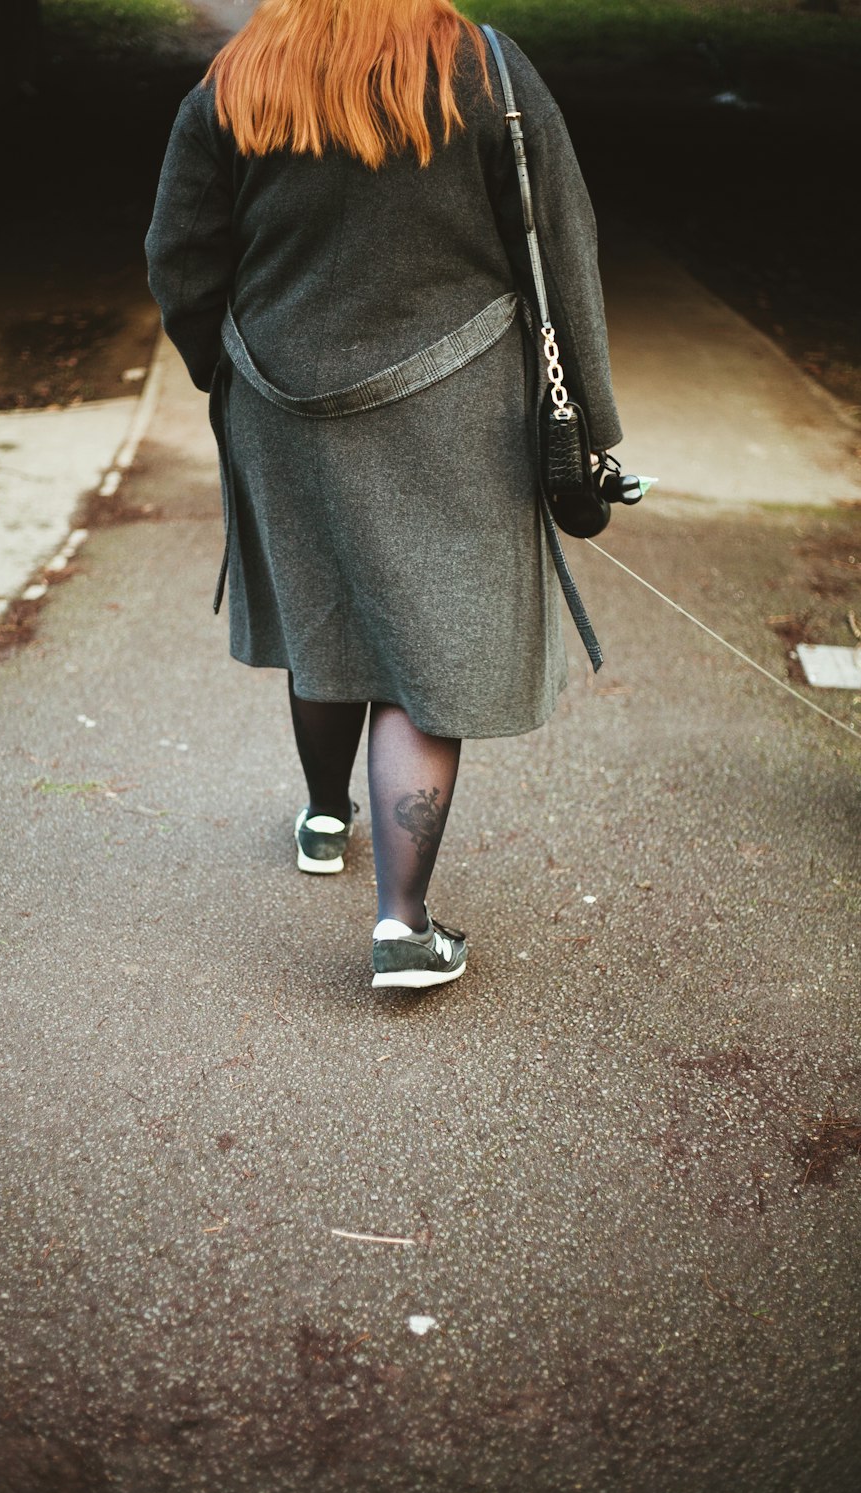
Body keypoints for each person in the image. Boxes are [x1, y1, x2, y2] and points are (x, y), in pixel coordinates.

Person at [145, 0, 621, 991]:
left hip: (280, 406)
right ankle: (401, 928)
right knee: (425, 649)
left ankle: (324, 819)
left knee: (323, 611)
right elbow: (561, 249)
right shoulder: (484, 68)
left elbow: (180, 260)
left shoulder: (235, 80)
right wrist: (591, 430)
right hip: (457, 415)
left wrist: (220, 374)